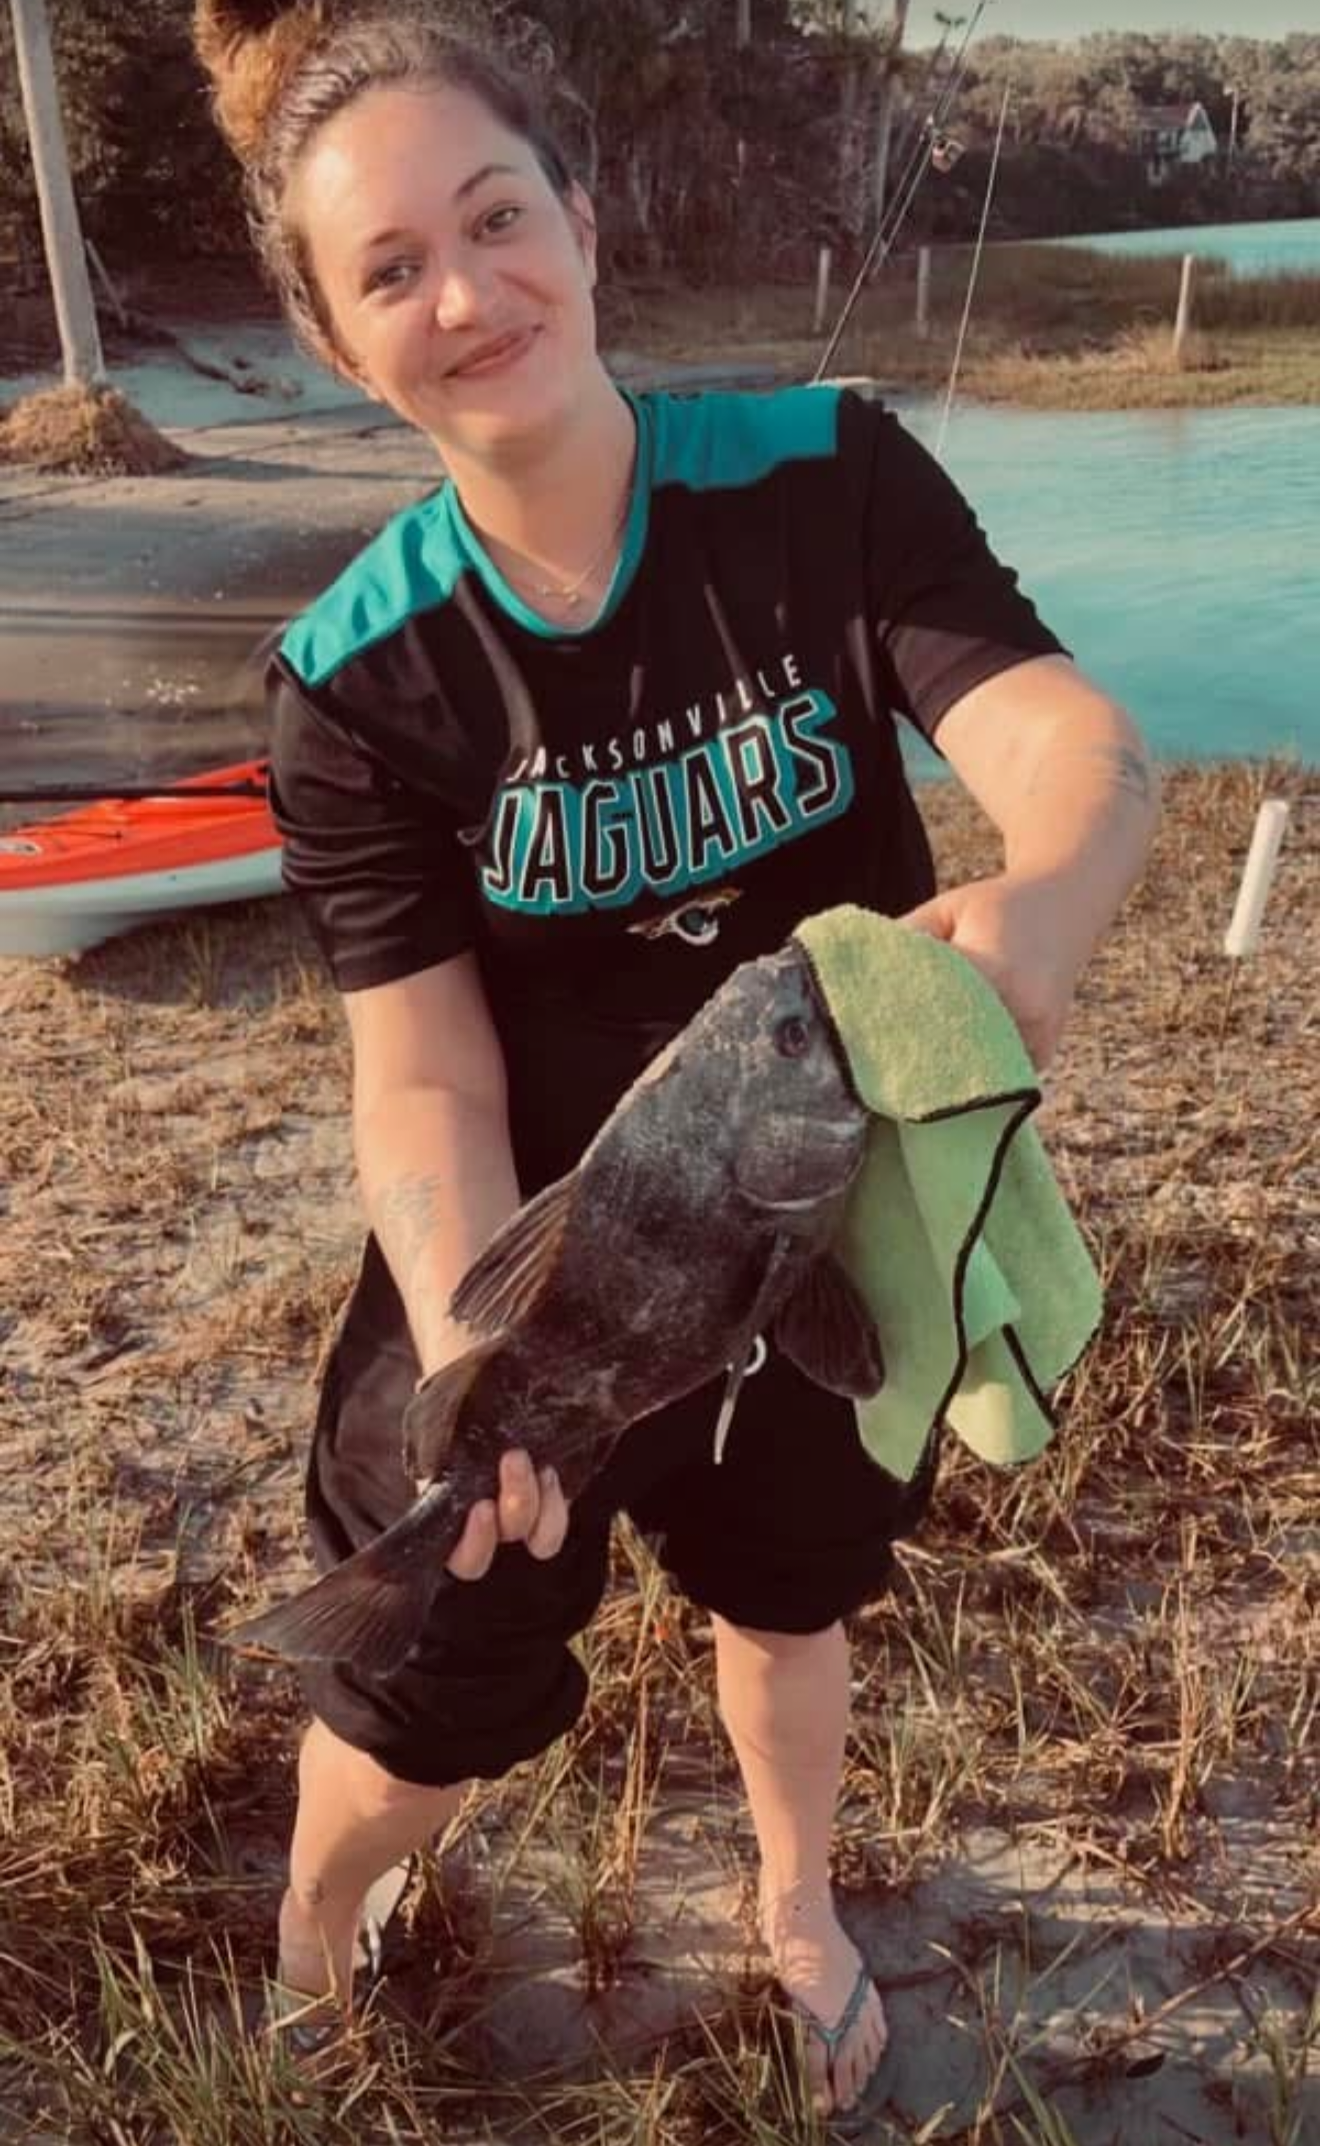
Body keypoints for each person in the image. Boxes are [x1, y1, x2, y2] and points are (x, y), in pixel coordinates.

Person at [195, 2, 1160, 2123]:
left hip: (825, 1196)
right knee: (424, 1646)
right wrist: (477, 1335)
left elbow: (1063, 738)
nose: (466, 293)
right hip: (540, 1247)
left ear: (588, 218)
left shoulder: (826, 475)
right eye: (391, 271)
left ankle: (795, 1897)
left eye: (496, 215)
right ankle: (314, 1933)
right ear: (335, 340)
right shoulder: (356, 681)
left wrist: (1041, 904)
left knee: (794, 1569)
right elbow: (425, 1082)